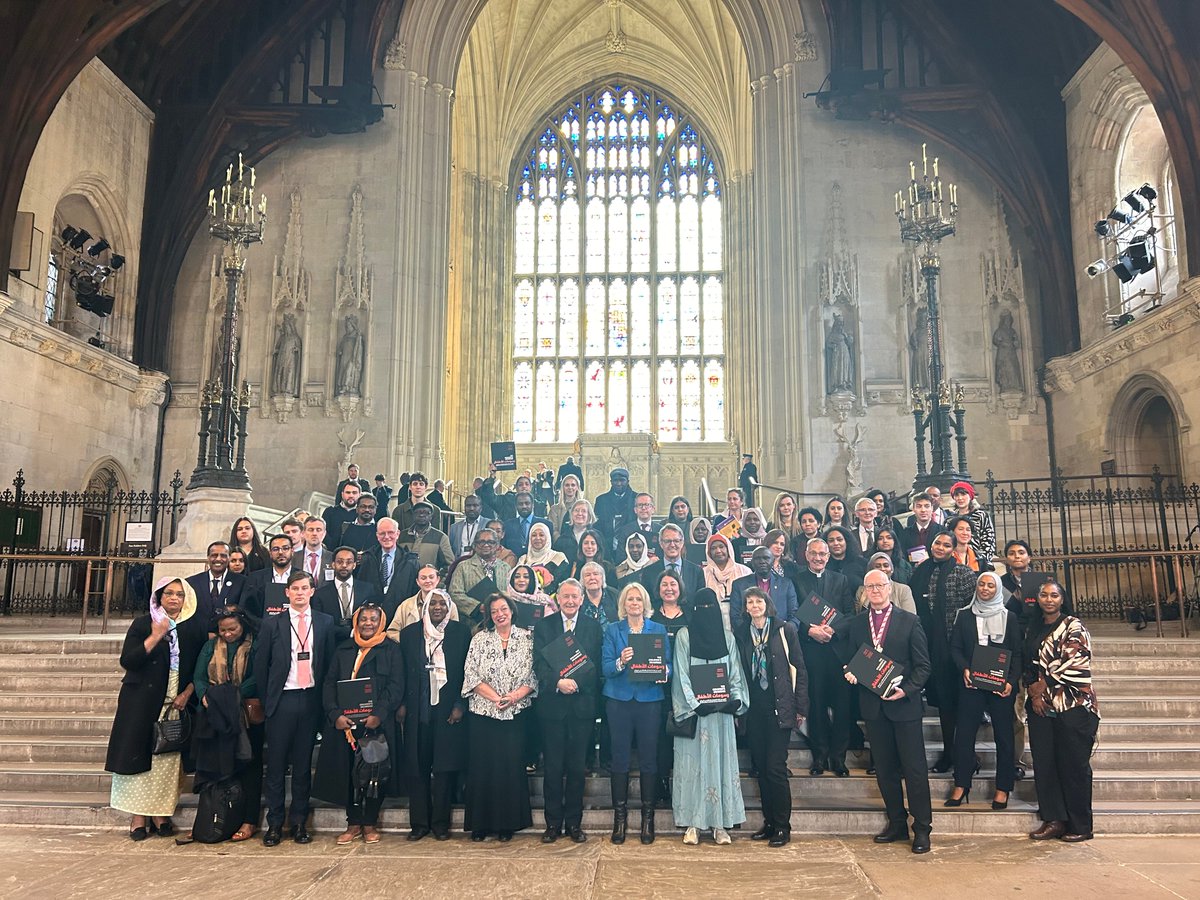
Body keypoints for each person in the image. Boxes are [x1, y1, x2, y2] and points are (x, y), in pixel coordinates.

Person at [106, 576, 205, 840]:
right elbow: (129, 660)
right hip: (141, 700)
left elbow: (200, 667)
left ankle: (161, 813)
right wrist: (155, 636)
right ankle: (139, 817)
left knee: (166, 759)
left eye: (179, 595)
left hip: (175, 699)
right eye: (169, 593)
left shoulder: (192, 626)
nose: (174, 599)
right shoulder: (143, 623)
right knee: (140, 754)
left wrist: (187, 692)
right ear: (159, 597)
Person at [842, 569, 934, 854]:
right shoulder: (857, 624)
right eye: (869, 586)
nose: (875, 590)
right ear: (864, 592)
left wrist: (905, 690)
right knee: (884, 770)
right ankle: (896, 822)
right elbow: (851, 660)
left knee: (915, 770)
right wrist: (851, 672)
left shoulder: (910, 621)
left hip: (904, 706)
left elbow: (923, 667)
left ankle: (922, 828)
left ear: (890, 588)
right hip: (874, 707)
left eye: (880, 585)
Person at [254, 572, 337, 846]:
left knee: (302, 766)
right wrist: (269, 702)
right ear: (287, 593)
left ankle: (299, 822)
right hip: (282, 700)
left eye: (305, 588)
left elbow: (327, 666)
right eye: (295, 589)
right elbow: (260, 665)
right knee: (276, 766)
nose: (300, 593)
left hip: (310, 699)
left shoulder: (325, 622)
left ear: (312, 591)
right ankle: (275, 824)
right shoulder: (272, 624)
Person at [312, 602, 402, 845]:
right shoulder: (343, 649)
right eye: (363, 619)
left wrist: (379, 715)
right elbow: (329, 684)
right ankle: (352, 823)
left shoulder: (391, 650)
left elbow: (396, 687)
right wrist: (334, 715)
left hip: (376, 724)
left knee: (374, 775)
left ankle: (370, 822)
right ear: (356, 622)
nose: (368, 623)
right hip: (345, 725)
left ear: (381, 622)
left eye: (373, 619)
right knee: (348, 775)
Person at [671, 588, 749, 845]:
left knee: (720, 766)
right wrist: (694, 704)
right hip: (695, 715)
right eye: (700, 607)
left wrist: (735, 700)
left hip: (720, 716)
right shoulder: (684, 636)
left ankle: (720, 823)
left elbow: (735, 671)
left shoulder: (727, 638)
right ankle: (692, 823)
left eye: (709, 606)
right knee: (692, 768)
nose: (706, 612)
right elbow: (681, 674)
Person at [1024, 581, 1100, 842]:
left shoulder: (1073, 625)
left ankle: (1080, 825)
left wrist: (1044, 684)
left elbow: (1077, 661)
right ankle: (1054, 820)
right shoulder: (1033, 628)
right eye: (1043, 594)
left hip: (1073, 707)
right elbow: (1028, 663)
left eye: (1054, 595)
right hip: (1040, 706)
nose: (1048, 599)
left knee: (1073, 766)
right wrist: (1033, 691)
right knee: (1045, 765)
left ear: (1062, 599)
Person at [462, 593, 538, 841]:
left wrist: (513, 697)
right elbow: (471, 675)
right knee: (482, 767)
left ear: (512, 611)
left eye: (503, 609)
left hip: (516, 712)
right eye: (494, 611)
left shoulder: (527, 639)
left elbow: (534, 676)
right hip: (484, 712)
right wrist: (495, 698)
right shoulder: (479, 639)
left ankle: (508, 824)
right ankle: (480, 825)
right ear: (489, 615)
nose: (500, 614)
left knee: (510, 767)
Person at [735, 587, 808, 846]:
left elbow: (799, 668)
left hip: (780, 708)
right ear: (745, 607)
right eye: (749, 602)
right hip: (754, 711)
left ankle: (783, 826)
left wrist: (801, 707)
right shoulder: (742, 633)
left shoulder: (784, 629)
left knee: (776, 768)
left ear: (767, 604)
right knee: (762, 770)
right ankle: (769, 823)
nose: (754, 606)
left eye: (759, 601)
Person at [533, 579, 603, 844]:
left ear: (582, 599)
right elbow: (538, 663)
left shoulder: (593, 627)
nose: (571, 601)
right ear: (558, 599)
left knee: (576, 769)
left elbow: (595, 662)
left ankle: (574, 823)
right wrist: (557, 683)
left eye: (575, 597)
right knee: (552, 768)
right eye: (566, 597)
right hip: (552, 707)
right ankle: (552, 824)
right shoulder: (544, 626)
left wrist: (576, 683)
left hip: (582, 707)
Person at [602, 582, 671, 844]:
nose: (634, 603)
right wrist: (621, 660)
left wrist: (664, 672)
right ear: (623, 604)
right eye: (629, 599)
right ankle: (619, 820)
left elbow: (669, 664)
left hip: (649, 700)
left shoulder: (659, 630)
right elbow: (606, 668)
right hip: (619, 701)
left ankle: (647, 819)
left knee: (649, 759)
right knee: (619, 760)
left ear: (645, 604)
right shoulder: (612, 630)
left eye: (638, 599)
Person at [397, 590, 470, 840]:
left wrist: (460, 704)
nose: (437, 607)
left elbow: (465, 672)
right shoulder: (409, 634)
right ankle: (419, 824)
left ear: (449, 607)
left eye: (442, 603)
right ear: (425, 607)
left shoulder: (460, 633)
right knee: (417, 768)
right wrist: (403, 705)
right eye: (433, 603)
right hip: (418, 710)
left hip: (448, 710)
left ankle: (440, 824)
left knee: (443, 769)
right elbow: (403, 672)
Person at [947, 572, 1021, 810]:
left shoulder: (1009, 617)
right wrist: (965, 669)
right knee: (964, 736)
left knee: (1004, 737)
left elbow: (1018, 654)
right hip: (972, 683)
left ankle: (1003, 788)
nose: (985, 588)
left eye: (991, 585)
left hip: (1001, 687)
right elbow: (956, 648)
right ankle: (961, 784)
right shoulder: (965, 616)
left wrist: (1011, 681)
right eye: (982, 584)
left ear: (997, 588)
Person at [190, 606, 262, 843]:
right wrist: (206, 697)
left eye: (233, 629)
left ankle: (249, 820)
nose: (228, 634)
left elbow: (259, 675)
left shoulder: (254, 645)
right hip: (214, 716)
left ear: (242, 626)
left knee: (249, 767)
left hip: (244, 715)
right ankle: (211, 819)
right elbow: (199, 677)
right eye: (223, 630)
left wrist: (233, 696)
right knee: (214, 769)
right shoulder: (210, 646)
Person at [910, 531, 978, 772]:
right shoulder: (919, 571)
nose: (940, 547)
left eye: (946, 544)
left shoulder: (963, 573)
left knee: (961, 704)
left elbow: (972, 611)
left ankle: (966, 755)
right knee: (944, 706)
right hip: (928, 647)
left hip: (956, 647)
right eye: (937, 543)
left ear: (953, 548)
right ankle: (949, 753)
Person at [794, 537, 856, 777]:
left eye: (823, 554)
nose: (818, 558)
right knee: (816, 704)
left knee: (842, 706)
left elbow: (850, 613)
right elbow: (793, 613)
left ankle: (838, 758)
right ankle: (819, 756)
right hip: (811, 651)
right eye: (814, 554)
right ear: (806, 555)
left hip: (837, 651)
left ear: (828, 557)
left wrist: (834, 630)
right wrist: (809, 631)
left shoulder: (840, 580)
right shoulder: (796, 580)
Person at [313, 546, 384, 642]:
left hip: (362, 641)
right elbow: (320, 623)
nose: (344, 565)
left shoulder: (368, 589)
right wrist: (349, 633)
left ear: (354, 565)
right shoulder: (320, 594)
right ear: (333, 564)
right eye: (340, 562)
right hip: (332, 643)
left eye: (349, 562)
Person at [356, 518, 420, 623]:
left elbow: (414, 592)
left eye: (390, 533)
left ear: (398, 534)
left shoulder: (410, 561)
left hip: (400, 617)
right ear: (377, 536)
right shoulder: (367, 559)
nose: (386, 537)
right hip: (372, 619)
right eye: (382, 533)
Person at [449, 528, 513, 626]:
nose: (486, 545)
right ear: (474, 545)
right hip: (471, 623)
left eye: (491, 542)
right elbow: (454, 594)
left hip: (501, 621)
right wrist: (479, 607)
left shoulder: (505, 568)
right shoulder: (463, 566)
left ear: (497, 546)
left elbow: (511, 595)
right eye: (481, 542)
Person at [730, 545, 798, 632]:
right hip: (750, 638)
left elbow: (794, 614)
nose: (762, 561)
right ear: (752, 562)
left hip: (780, 635)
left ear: (773, 561)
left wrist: (785, 631)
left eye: (766, 558)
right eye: (758, 558)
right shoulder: (739, 585)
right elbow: (735, 617)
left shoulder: (786, 584)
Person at [639, 523, 705, 604]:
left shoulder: (696, 571)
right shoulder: (648, 572)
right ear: (661, 543)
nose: (672, 545)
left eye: (676, 541)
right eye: (667, 541)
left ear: (682, 542)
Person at [185, 541, 244, 629]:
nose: (218, 559)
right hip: (197, 638)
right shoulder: (192, 583)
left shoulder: (242, 582)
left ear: (229, 558)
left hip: (230, 638)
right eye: (214, 555)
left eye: (223, 556)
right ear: (208, 558)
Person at [387, 565, 460, 636]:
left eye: (431, 577)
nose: (428, 581)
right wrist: (407, 642)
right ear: (417, 581)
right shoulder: (405, 606)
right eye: (423, 578)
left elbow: (455, 631)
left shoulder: (450, 605)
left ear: (438, 579)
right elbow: (392, 631)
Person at [243, 533, 300, 619]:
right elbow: (247, 609)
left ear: (292, 551)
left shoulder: (303, 577)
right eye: (276, 549)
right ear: (270, 553)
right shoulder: (255, 578)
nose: (280, 552)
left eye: (285, 548)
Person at [702, 533, 750, 629]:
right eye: (713, 548)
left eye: (721, 547)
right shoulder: (703, 573)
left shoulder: (744, 571)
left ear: (728, 549)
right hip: (713, 622)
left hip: (741, 621)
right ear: (708, 552)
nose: (718, 551)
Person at [949, 481, 996, 566]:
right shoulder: (949, 519)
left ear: (970, 496)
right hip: (954, 562)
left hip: (977, 562)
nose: (960, 498)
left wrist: (983, 561)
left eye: (963, 494)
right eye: (957, 495)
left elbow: (989, 539)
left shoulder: (981, 515)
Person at [398, 501, 455, 570]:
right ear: (413, 515)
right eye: (418, 512)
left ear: (431, 516)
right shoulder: (401, 536)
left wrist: (439, 580)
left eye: (426, 512)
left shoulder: (440, 537)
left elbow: (450, 565)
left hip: (428, 580)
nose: (421, 515)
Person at [594, 467, 637, 553]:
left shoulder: (636, 499)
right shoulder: (601, 500)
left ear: (628, 481)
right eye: (615, 480)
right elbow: (597, 525)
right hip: (606, 547)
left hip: (631, 546)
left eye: (622, 480)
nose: (618, 483)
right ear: (611, 482)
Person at [519, 522, 569, 594]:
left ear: (547, 537)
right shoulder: (523, 559)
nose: (537, 538)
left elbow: (559, 583)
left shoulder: (558, 558)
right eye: (534, 535)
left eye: (541, 535)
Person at [898, 493, 944, 567]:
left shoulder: (942, 531)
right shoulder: (905, 533)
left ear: (932, 508)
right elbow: (902, 556)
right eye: (919, 506)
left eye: (927, 506)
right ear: (913, 509)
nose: (923, 510)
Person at [616, 492, 661, 560]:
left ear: (653, 509)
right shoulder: (625, 530)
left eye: (647, 505)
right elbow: (621, 556)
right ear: (635, 510)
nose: (643, 508)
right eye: (640, 505)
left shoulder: (661, 530)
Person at [294, 516, 334, 587]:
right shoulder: (293, 558)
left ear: (324, 534)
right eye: (311, 530)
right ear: (303, 533)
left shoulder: (333, 558)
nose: (314, 533)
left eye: (318, 530)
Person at [323, 482, 362, 550]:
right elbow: (323, 532)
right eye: (348, 492)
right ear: (342, 494)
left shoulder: (363, 515)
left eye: (354, 493)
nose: (351, 495)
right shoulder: (330, 512)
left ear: (360, 495)